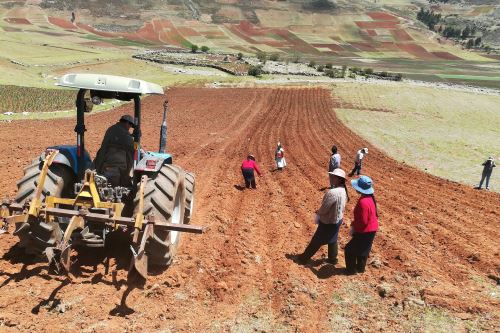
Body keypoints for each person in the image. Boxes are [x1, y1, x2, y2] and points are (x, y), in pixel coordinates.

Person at [295, 168, 349, 265]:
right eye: (332, 176)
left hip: (328, 222)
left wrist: (318, 212)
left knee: (316, 240)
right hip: (338, 219)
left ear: (340, 179)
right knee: (333, 238)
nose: (331, 178)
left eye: (334, 177)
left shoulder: (332, 192)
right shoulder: (344, 190)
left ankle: (303, 258)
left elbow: (324, 209)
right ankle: (333, 259)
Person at [345, 175, 379, 275]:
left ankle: (350, 271)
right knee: (364, 250)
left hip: (365, 230)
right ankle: (360, 269)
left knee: (349, 250)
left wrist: (354, 228)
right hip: (371, 229)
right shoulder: (370, 198)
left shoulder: (363, 202)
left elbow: (363, 221)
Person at [94, 115, 135, 187]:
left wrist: (98, 167)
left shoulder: (111, 129)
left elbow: (103, 148)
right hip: (116, 169)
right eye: (130, 125)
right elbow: (133, 149)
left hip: (105, 166)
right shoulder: (125, 134)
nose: (129, 128)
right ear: (127, 123)